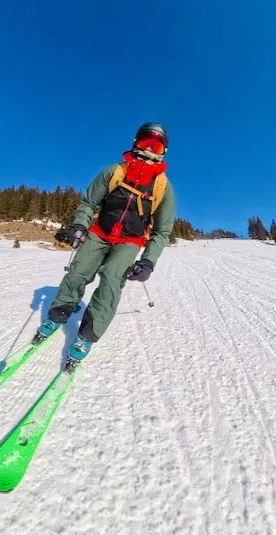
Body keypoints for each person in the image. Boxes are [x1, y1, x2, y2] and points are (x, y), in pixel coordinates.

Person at [34, 123, 176, 366]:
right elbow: (89, 202)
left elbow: (162, 231)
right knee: (79, 270)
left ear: (164, 151)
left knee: (112, 279)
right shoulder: (115, 172)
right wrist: (80, 224)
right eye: (145, 142)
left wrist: (148, 261)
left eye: (157, 144)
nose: (150, 149)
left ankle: (87, 335)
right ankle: (58, 313)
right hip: (100, 232)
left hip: (129, 241)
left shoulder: (163, 188)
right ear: (135, 143)